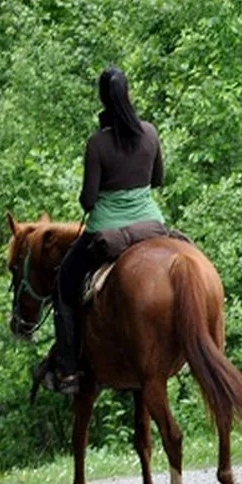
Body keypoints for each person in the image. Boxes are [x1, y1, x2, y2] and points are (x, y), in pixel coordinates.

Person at [38, 66, 167, 394]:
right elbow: (157, 180)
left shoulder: (97, 144)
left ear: (102, 100)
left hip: (107, 231)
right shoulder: (150, 133)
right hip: (151, 225)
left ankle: (68, 368)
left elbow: (89, 199)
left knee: (65, 283)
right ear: (129, 95)